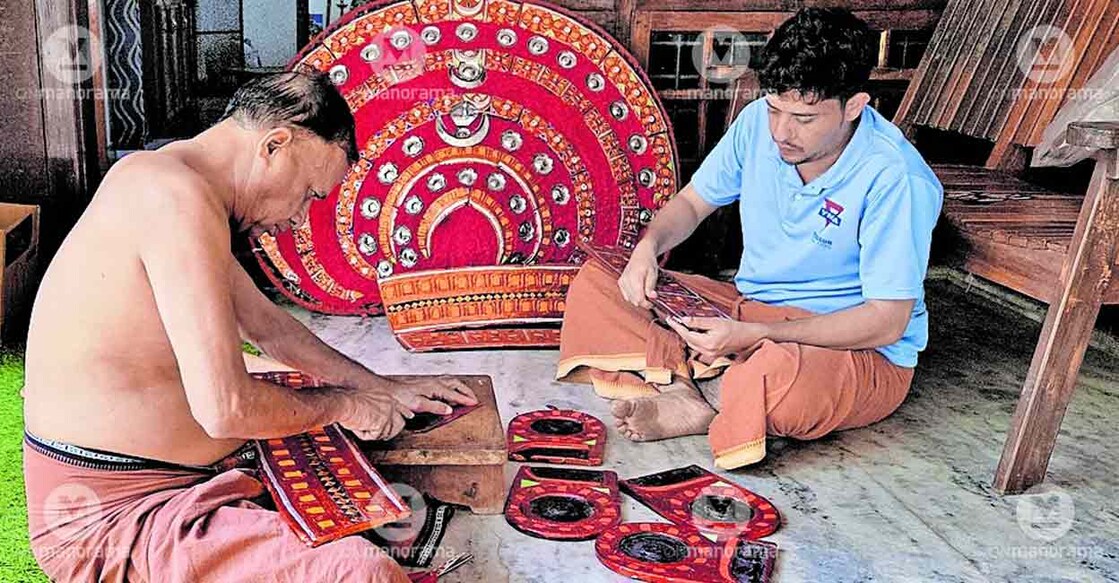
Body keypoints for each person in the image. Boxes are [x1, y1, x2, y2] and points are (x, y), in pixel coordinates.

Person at [22, 71, 477, 582]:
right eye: (309, 193)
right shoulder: (171, 197)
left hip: (181, 482)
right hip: (116, 520)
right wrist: (346, 405)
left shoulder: (172, 182)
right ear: (274, 146)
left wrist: (379, 387)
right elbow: (226, 409)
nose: (300, 219)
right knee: (361, 573)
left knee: (340, 442)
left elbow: (270, 329)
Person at [556, 8, 943, 471]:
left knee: (784, 382)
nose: (781, 132)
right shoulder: (757, 122)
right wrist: (647, 249)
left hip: (850, 347)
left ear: (855, 106)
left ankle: (700, 379)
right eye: (775, 109)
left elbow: (886, 322)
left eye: (803, 118)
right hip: (747, 309)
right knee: (599, 282)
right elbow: (692, 203)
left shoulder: (896, 177)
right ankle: (697, 389)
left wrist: (760, 335)